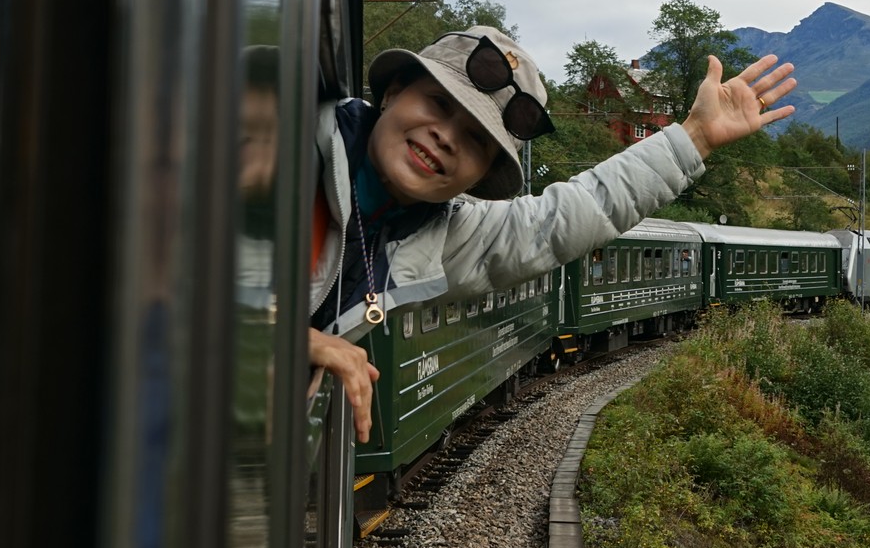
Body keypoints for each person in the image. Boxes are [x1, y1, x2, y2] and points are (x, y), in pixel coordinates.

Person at [307, 26, 795, 441]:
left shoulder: (433, 236)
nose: (447, 136)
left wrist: (696, 138)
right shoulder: (286, 141)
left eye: (476, 138)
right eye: (438, 103)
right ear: (392, 91)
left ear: (479, 176)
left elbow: (569, 217)